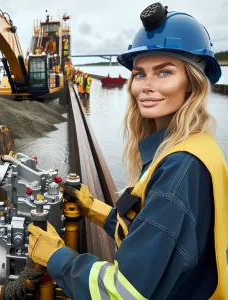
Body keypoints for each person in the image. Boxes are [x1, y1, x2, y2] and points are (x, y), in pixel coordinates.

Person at [27, 3, 228, 299]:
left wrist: (57, 256)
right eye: (140, 74)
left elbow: (123, 291)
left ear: (193, 83)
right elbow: (156, 236)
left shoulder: (179, 170)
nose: (146, 86)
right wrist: (95, 209)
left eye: (164, 73)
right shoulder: (189, 145)